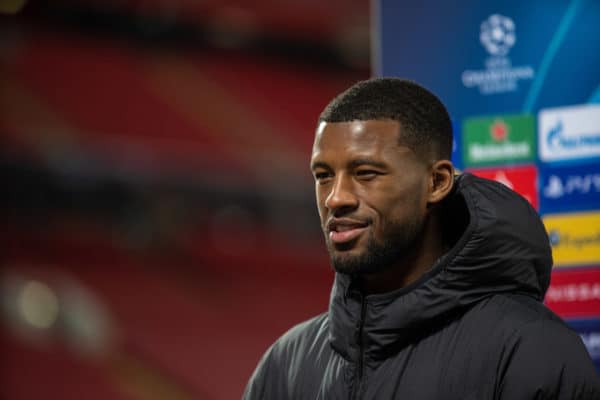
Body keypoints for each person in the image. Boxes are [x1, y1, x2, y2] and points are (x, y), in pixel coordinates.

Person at [243, 78, 600, 399]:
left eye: (365, 173)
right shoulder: (284, 363)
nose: (336, 198)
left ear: (437, 182)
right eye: (323, 176)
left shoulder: (531, 350)